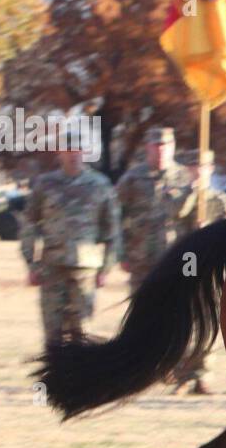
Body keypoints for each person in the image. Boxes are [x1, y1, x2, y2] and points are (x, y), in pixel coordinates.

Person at [21, 147, 121, 345]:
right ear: (60, 153)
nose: (73, 155)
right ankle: (54, 376)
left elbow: (112, 229)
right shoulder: (45, 184)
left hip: (85, 270)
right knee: (52, 334)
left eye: (78, 150)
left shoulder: (99, 185)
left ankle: (81, 375)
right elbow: (30, 224)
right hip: (51, 268)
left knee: (81, 332)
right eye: (68, 150)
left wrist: (106, 268)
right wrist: (31, 263)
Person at [170, 148, 226, 394]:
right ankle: (182, 375)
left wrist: (207, 229)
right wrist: (192, 194)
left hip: (209, 265)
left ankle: (201, 374)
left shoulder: (221, 200)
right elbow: (174, 215)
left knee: (207, 321)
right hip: (185, 263)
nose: (198, 171)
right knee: (183, 322)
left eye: (202, 167)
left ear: (210, 169)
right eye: (193, 167)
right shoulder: (179, 197)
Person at [116, 126, 189, 291]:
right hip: (140, 257)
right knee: (140, 309)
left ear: (174, 146)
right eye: (156, 145)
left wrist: (191, 260)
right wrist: (121, 253)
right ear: (148, 146)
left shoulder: (185, 177)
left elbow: (191, 219)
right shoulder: (132, 177)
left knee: (172, 310)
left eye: (166, 144)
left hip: (176, 256)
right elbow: (117, 215)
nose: (161, 149)